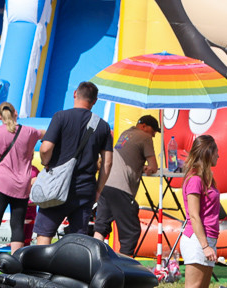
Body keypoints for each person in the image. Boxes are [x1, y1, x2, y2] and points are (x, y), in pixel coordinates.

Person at [34, 82, 113, 244]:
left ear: (75, 93)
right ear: (95, 101)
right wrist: (98, 189)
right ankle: (71, 269)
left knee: (45, 233)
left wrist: (45, 162)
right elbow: (108, 163)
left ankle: (40, 269)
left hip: (56, 187)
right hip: (85, 188)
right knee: (78, 238)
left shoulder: (60, 117)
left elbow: (45, 148)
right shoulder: (103, 126)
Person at [0, 103, 43, 264]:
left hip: (0, 182)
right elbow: (47, 135)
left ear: (0, 116)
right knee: (17, 225)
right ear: (16, 113)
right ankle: (16, 262)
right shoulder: (29, 131)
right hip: (22, 185)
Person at [177, 135, 220, 288]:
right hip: (197, 240)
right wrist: (205, 245)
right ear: (207, 152)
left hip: (209, 238)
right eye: (216, 151)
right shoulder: (194, 179)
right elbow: (194, 216)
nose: (219, 155)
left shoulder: (208, 179)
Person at [94, 114, 160, 255]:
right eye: (153, 132)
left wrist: (140, 166)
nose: (153, 136)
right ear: (144, 127)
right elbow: (154, 166)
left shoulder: (125, 134)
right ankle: (125, 266)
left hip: (105, 184)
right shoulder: (144, 137)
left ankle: (92, 258)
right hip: (121, 188)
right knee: (131, 232)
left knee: (101, 226)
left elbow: (127, 159)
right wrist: (149, 167)